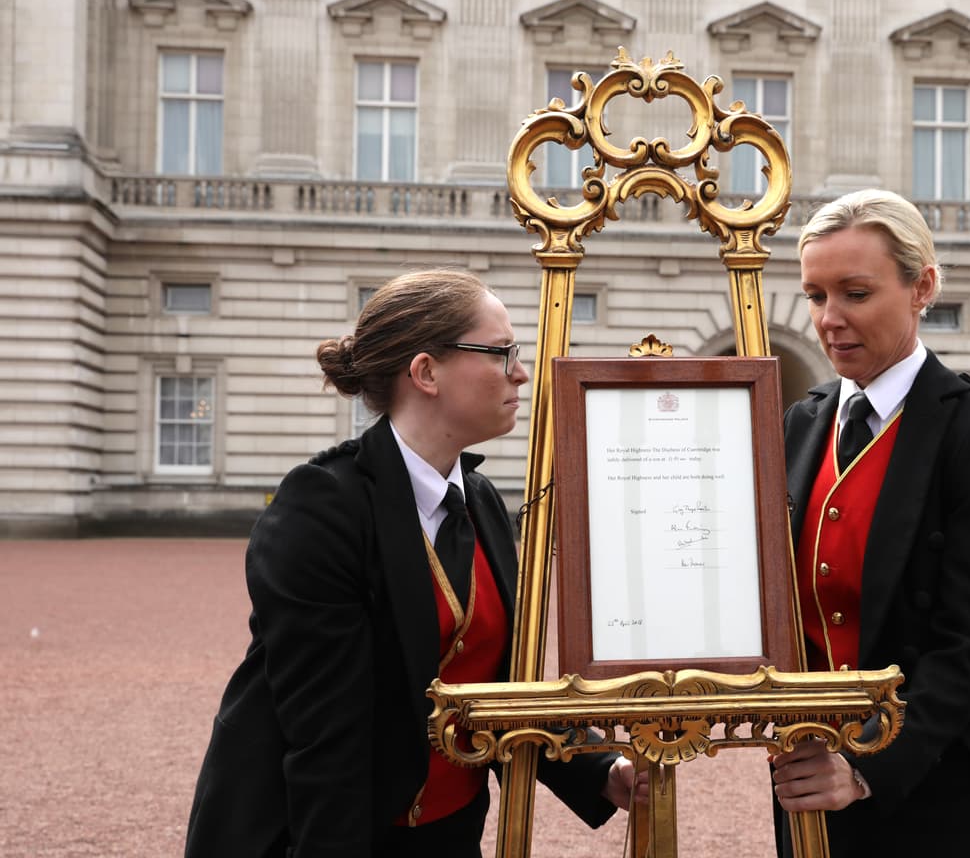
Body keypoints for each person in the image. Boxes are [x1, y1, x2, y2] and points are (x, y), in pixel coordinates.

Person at [185, 268, 641, 858]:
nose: (521, 372)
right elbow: (327, 738)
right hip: (320, 834)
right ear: (426, 372)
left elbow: (501, 685)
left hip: (448, 836)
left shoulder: (480, 500)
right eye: (501, 353)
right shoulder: (322, 508)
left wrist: (602, 769)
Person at [769, 190, 970, 858]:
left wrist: (864, 767)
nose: (828, 320)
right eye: (814, 295)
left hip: (938, 787)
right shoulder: (801, 423)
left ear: (924, 287)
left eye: (855, 293)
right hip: (808, 780)